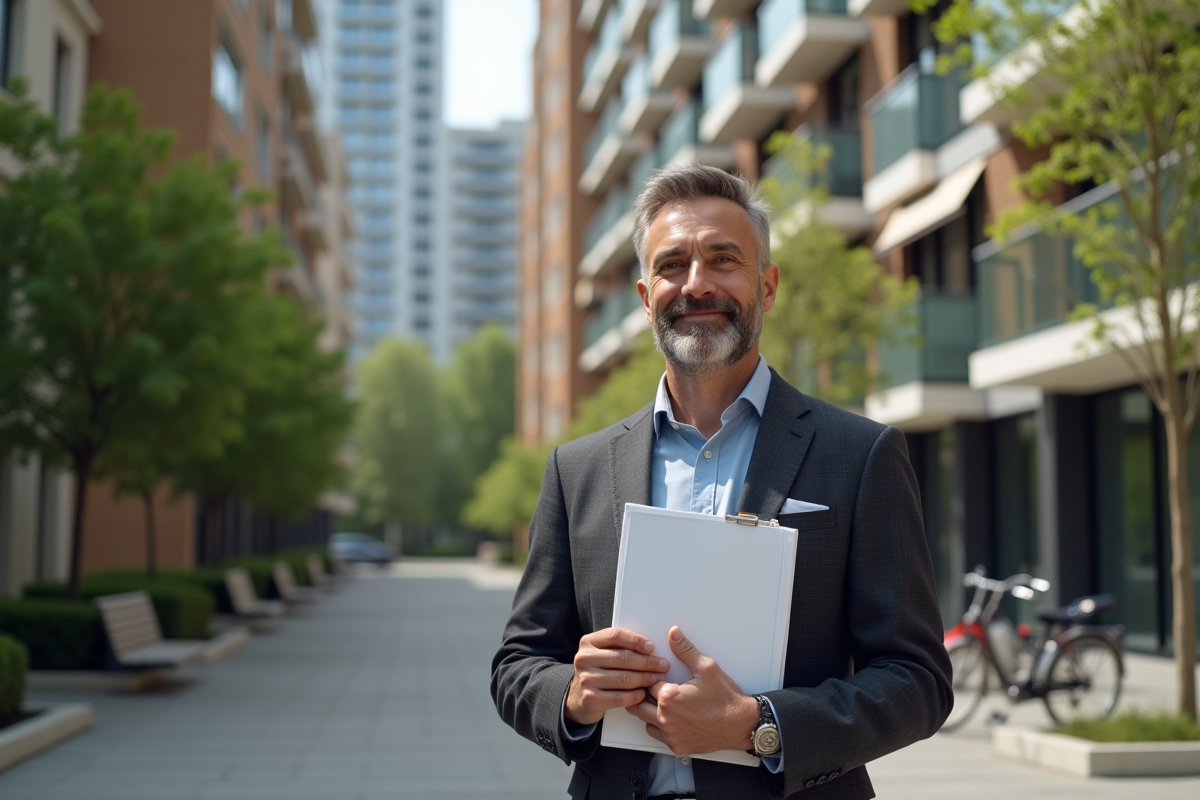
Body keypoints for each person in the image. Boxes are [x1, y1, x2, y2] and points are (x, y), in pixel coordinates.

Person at [492, 164, 952, 800]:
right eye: (672, 264)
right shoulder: (578, 469)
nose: (696, 284)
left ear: (766, 288)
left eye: (722, 259)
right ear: (645, 294)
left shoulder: (863, 454)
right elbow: (517, 665)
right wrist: (571, 695)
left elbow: (918, 680)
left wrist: (757, 727)